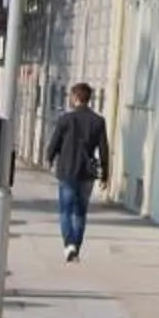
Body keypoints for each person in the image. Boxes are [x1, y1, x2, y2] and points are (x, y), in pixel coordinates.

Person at [44, 83, 112, 262]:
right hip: (87, 172)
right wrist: (105, 174)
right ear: (88, 99)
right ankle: (76, 247)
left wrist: (49, 158)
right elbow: (104, 149)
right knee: (80, 211)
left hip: (67, 170)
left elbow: (55, 142)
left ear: (75, 98)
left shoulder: (65, 119)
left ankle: (69, 244)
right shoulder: (98, 121)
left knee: (65, 210)